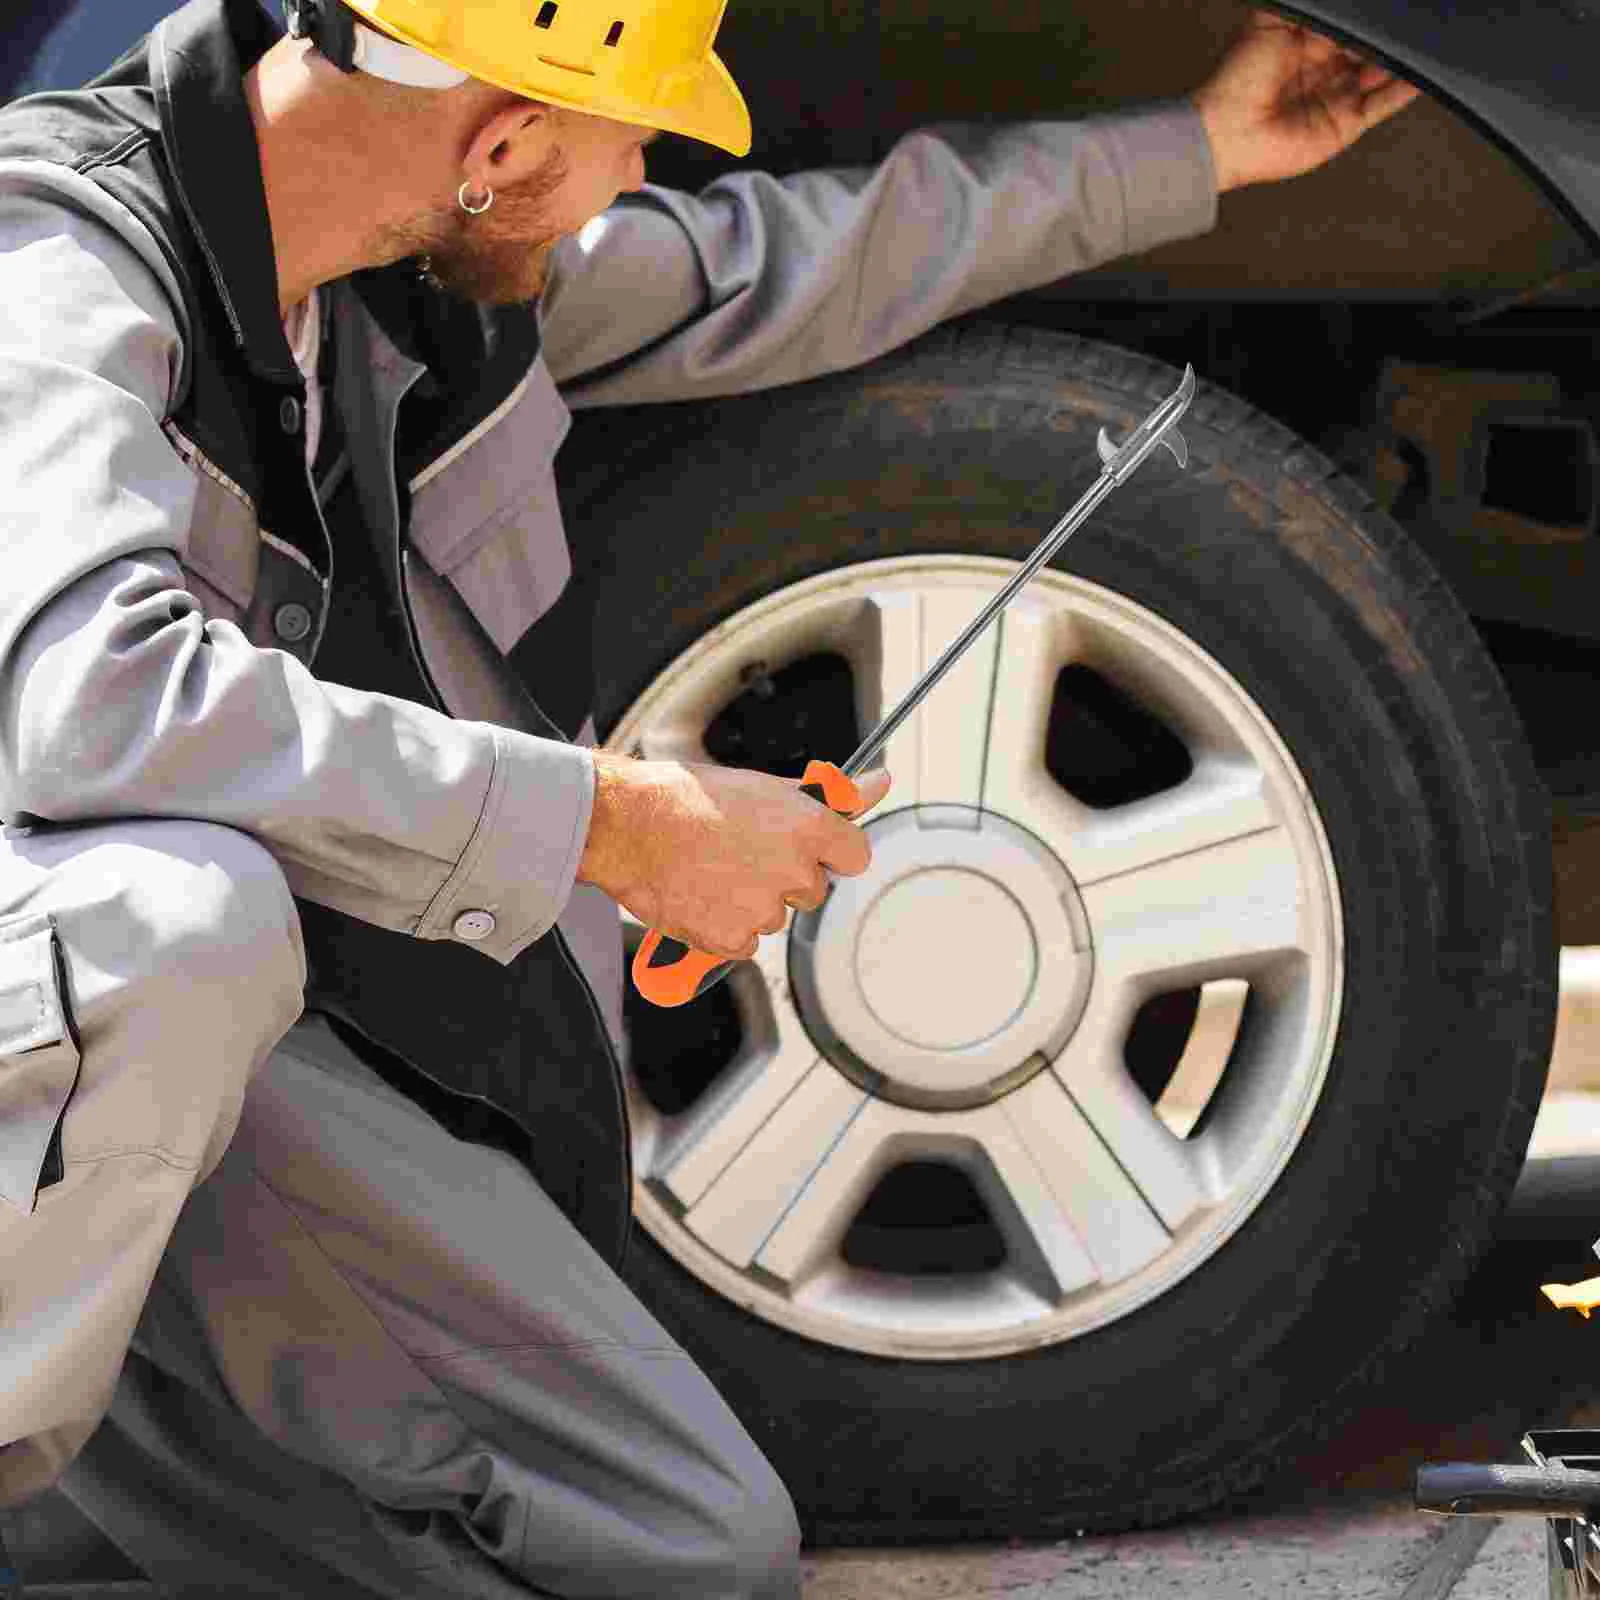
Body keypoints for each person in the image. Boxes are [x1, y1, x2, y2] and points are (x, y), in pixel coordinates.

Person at [0, 0, 1417, 1592]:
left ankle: (80, 1467)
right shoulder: (53, 261)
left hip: (205, 1059)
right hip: (82, 988)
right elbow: (89, 706)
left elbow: (795, 259)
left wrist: (1206, 147)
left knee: (684, 1550)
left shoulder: (403, 284)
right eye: (637, 138)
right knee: (180, 923)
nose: (647, 174)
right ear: (506, 145)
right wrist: (609, 823)